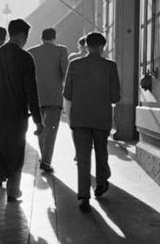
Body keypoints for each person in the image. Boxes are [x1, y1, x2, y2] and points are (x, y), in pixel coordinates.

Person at [0, 18, 43, 217]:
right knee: (14, 155)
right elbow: (32, 92)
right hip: (15, 117)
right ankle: (12, 192)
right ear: (22, 36)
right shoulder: (25, 58)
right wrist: (38, 120)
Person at [63, 31, 120, 213]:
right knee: (101, 152)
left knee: (82, 157)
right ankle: (102, 182)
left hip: (80, 118)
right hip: (101, 117)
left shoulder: (75, 64)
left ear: (86, 46)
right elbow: (115, 96)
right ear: (103, 46)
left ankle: (83, 196)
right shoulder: (110, 66)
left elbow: (67, 93)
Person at [28, 27, 68, 173]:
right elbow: (65, 72)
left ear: (41, 38)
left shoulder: (31, 52)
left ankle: (44, 156)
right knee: (51, 130)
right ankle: (46, 160)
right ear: (54, 37)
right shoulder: (61, 51)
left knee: (40, 128)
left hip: (35, 97)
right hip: (54, 96)